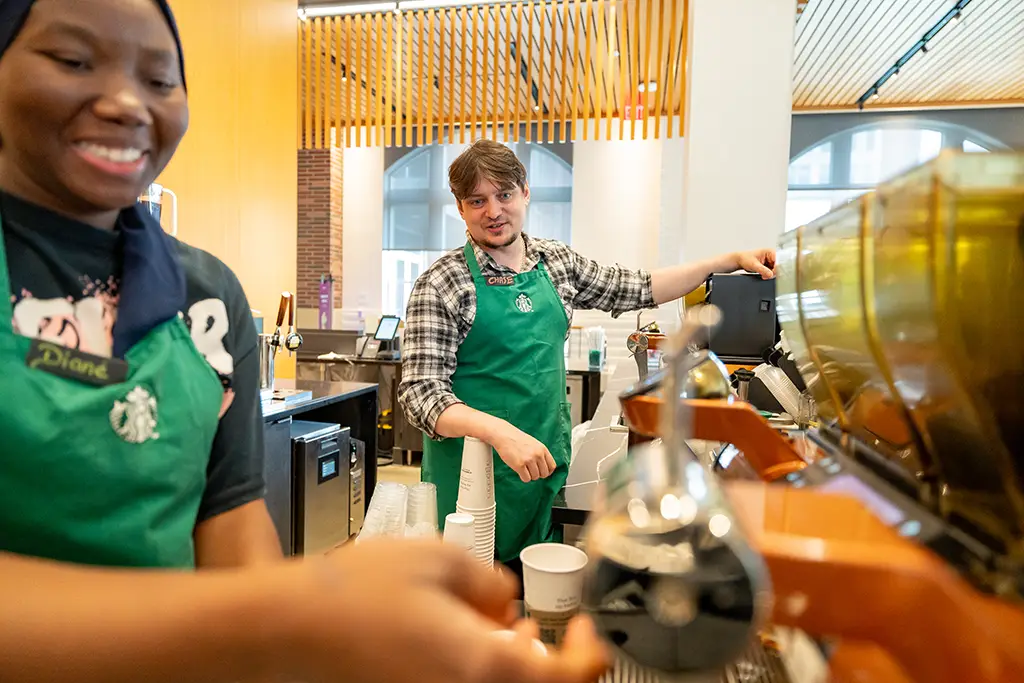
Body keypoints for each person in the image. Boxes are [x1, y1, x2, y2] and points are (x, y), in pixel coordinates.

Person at [0, 2, 609, 682]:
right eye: (72, 60)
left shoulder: (207, 296)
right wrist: (308, 608)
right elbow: (264, 607)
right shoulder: (444, 281)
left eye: (160, 77)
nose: (124, 101)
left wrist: (328, 638)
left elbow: (231, 532)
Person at [399, 139, 776, 571]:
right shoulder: (442, 282)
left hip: (545, 466)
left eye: (504, 194)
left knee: (537, 595)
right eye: (477, 200)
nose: (493, 211)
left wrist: (726, 262)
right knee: (472, 605)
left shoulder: (555, 262)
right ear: (460, 208)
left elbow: (637, 286)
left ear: (526, 192)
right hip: (471, 480)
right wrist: (499, 432)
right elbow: (420, 395)